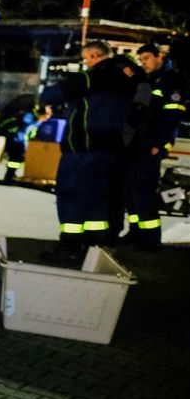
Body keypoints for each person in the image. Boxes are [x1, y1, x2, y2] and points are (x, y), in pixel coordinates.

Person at [39, 40, 138, 263]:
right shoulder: (126, 81)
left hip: (82, 148)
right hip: (111, 149)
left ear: (93, 55)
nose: (86, 63)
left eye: (86, 58)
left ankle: (70, 247)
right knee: (98, 198)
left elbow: (50, 95)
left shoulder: (89, 78)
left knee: (71, 195)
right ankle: (96, 247)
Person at [123, 43, 186, 248]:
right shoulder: (147, 79)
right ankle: (135, 231)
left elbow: (172, 116)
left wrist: (159, 143)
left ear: (160, 57)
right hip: (137, 142)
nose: (144, 63)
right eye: (141, 60)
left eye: (147, 58)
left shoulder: (170, 80)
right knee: (131, 190)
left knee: (144, 190)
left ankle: (150, 238)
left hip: (150, 143)